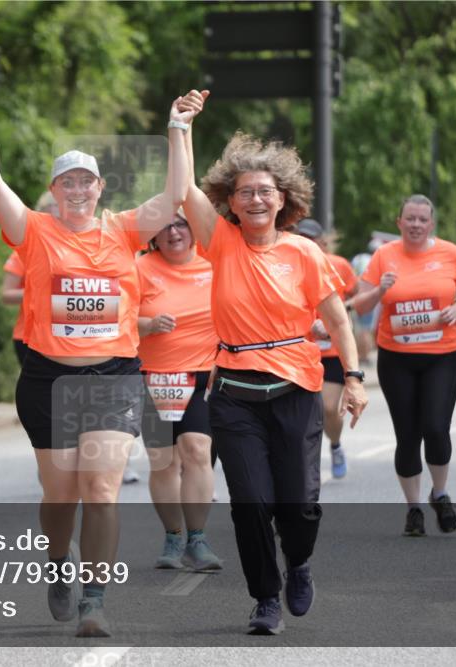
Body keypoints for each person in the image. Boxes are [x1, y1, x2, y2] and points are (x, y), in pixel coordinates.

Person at [0, 81, 198, 637]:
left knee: (102, 489)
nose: (76, 189)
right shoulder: (34, 231)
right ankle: (58, 562)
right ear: (54, 189)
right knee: (60, 495)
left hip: (114, 376)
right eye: (66, 181)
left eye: (85, 181)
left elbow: (176, 196)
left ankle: (94, 597)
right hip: (47, 379)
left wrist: (178, 127)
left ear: (100, 188)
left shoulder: (124, 230)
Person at [178, 92, 368, 636]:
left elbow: (336, 323)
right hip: (235, 396)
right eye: (245, 193)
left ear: (282, 199)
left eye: (266, 191)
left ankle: (299, 562)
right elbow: (182, 190)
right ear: (230, 202)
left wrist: (352, 377)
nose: (256, 200)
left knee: (299, 507)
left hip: (295, 393)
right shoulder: (220, 242)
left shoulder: (305, 254)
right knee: (250, 505)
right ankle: (265, 599)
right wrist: (179, 127)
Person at [352, 194, 456, 540]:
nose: (416, 225)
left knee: (436, 428)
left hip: (442, 354)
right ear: (399, 222)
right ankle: (413, 509)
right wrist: (379, 290)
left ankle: (439, 493)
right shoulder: (383, 256)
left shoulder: (451, 253)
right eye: (410, 218)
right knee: (407, 435)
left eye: (423, 219)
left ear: (432, 224)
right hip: (397, 358)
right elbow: (359, 303)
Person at [137, 211, 222, 571]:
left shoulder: (214, 264)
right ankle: (173, 537)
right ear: (153, 235)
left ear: (194, 230)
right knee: (164, 462)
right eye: (165, 227)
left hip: (204, 375)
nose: (174, 232)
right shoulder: (139, 268)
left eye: (182, 224)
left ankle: (197, 540)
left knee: (197, 450)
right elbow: (116, 318)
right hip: (155, 378)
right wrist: (149, 324)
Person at [296, 218, 359, 480]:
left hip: (331, 352)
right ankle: (306, 462)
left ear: (322, 242)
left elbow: (355, 294)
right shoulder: (287, 264)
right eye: (303, 238)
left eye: (312, 239)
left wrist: (340, 314)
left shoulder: (340, 265)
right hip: (300, 350)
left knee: (329, 408)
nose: (308, 243)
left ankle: (335, 445)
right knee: (303, 413)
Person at [2, 192, 57, 366]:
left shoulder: (80, 248)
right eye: (49, 215)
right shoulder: (25, 251)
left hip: (69, 337)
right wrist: (39, 290)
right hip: (29, 337)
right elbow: (6, 295)